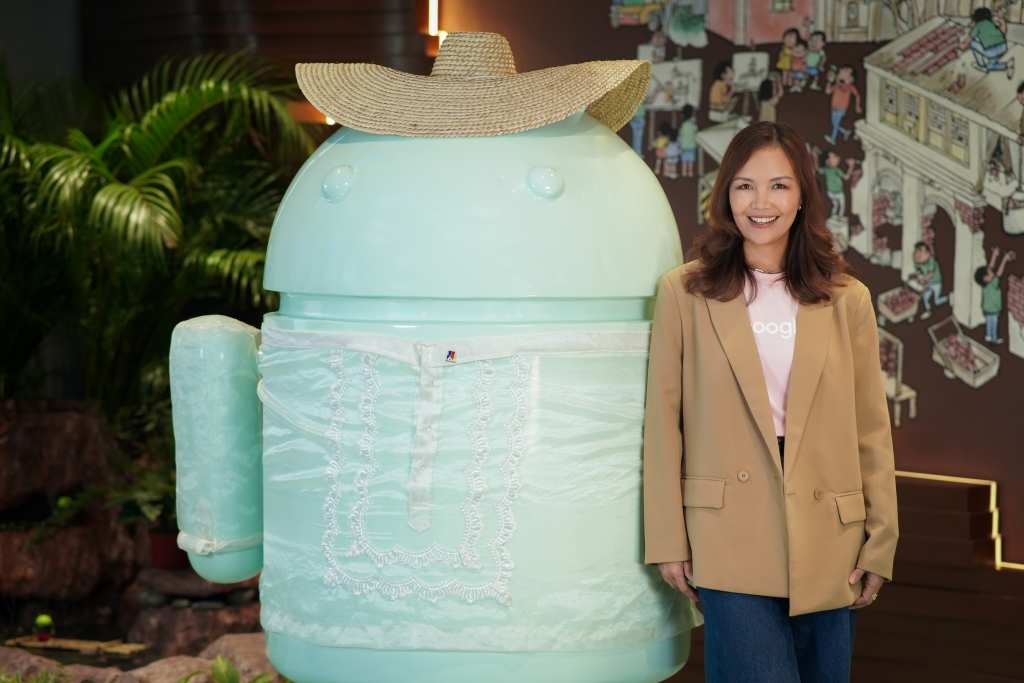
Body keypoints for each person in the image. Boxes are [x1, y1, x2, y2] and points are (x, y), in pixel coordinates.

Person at [643, 121, 898, 683]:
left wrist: (881, 540)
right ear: (725, 194)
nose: (761, 203)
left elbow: (871, 430)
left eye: (779, 185)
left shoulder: (848, 298)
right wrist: (667, 538)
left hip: (831, 533)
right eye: (745, 185)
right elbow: (663, 423)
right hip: (727, 532)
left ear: (802, 195)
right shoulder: (683, 293)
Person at [976, 245, 1018, 344]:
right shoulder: (993, 283)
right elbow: (999, 272)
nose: (991, 271)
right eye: (989, 272)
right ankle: (994, 339)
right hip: (994, 309)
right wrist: (1004, 260)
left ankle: (988, 335)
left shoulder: (985, 285)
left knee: (989, 322)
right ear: (985, 278)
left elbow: (990, 266)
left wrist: (994, 255)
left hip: (987, 309)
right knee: (994, 324)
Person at [960, 7, 1014, 79]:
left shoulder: (978, 25)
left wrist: (963, 45)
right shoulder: (991, 24)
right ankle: (1007, 66)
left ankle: (981, 65)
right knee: (989, 66)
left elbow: (970, 37)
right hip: (1003, 47)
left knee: (972, 43)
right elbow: (1003, 32)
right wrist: (1001, 18)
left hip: (991, 52)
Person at [824, 65, 861, 146]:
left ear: (852, 79)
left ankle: (833, 139)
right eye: (840, 75)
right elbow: (828, 91)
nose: (842, 78)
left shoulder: (850, 87)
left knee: (836, 125)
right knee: (834, 124)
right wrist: (829, 81)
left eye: (846, 77)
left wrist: (857, 107)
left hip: (842, 108)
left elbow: (857, 95)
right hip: (834, 108)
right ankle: (845, 132)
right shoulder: (836, 86)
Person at [912, 241, 947, 320]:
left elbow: (931, 273)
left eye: (921, 252)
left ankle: (948, 297)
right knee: (925, 298)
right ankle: (928, 311)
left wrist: (924, 280)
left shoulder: (931, 260)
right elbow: (919, 270)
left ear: (928, 253)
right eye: (916, 252)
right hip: (929, 283)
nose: (918, 255)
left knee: (937, 301)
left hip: (936, 282)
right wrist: (916, 274)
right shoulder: (919, 262)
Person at [816, 148, 855, 217]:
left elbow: (817, 169)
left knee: (836, 205)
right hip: (837, 192)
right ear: (827, 162)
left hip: (833, 192)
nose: (838, 158)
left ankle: (834, 215)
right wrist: (851, 166)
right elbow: (846, 177)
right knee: (841, 205)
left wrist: (815, 157)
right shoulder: (831, 170)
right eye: (834, 157)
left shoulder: (833, 170)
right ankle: (839, 216)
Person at [679, 104, 698, 178]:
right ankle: (690, 172)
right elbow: (696, 135)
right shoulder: (693, 125)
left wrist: (680, 143)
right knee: (691, 160)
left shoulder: (683, 125)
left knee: (684, 160)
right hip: (692, 145)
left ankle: (684, 172)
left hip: (684, 145)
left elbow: (680, 135)